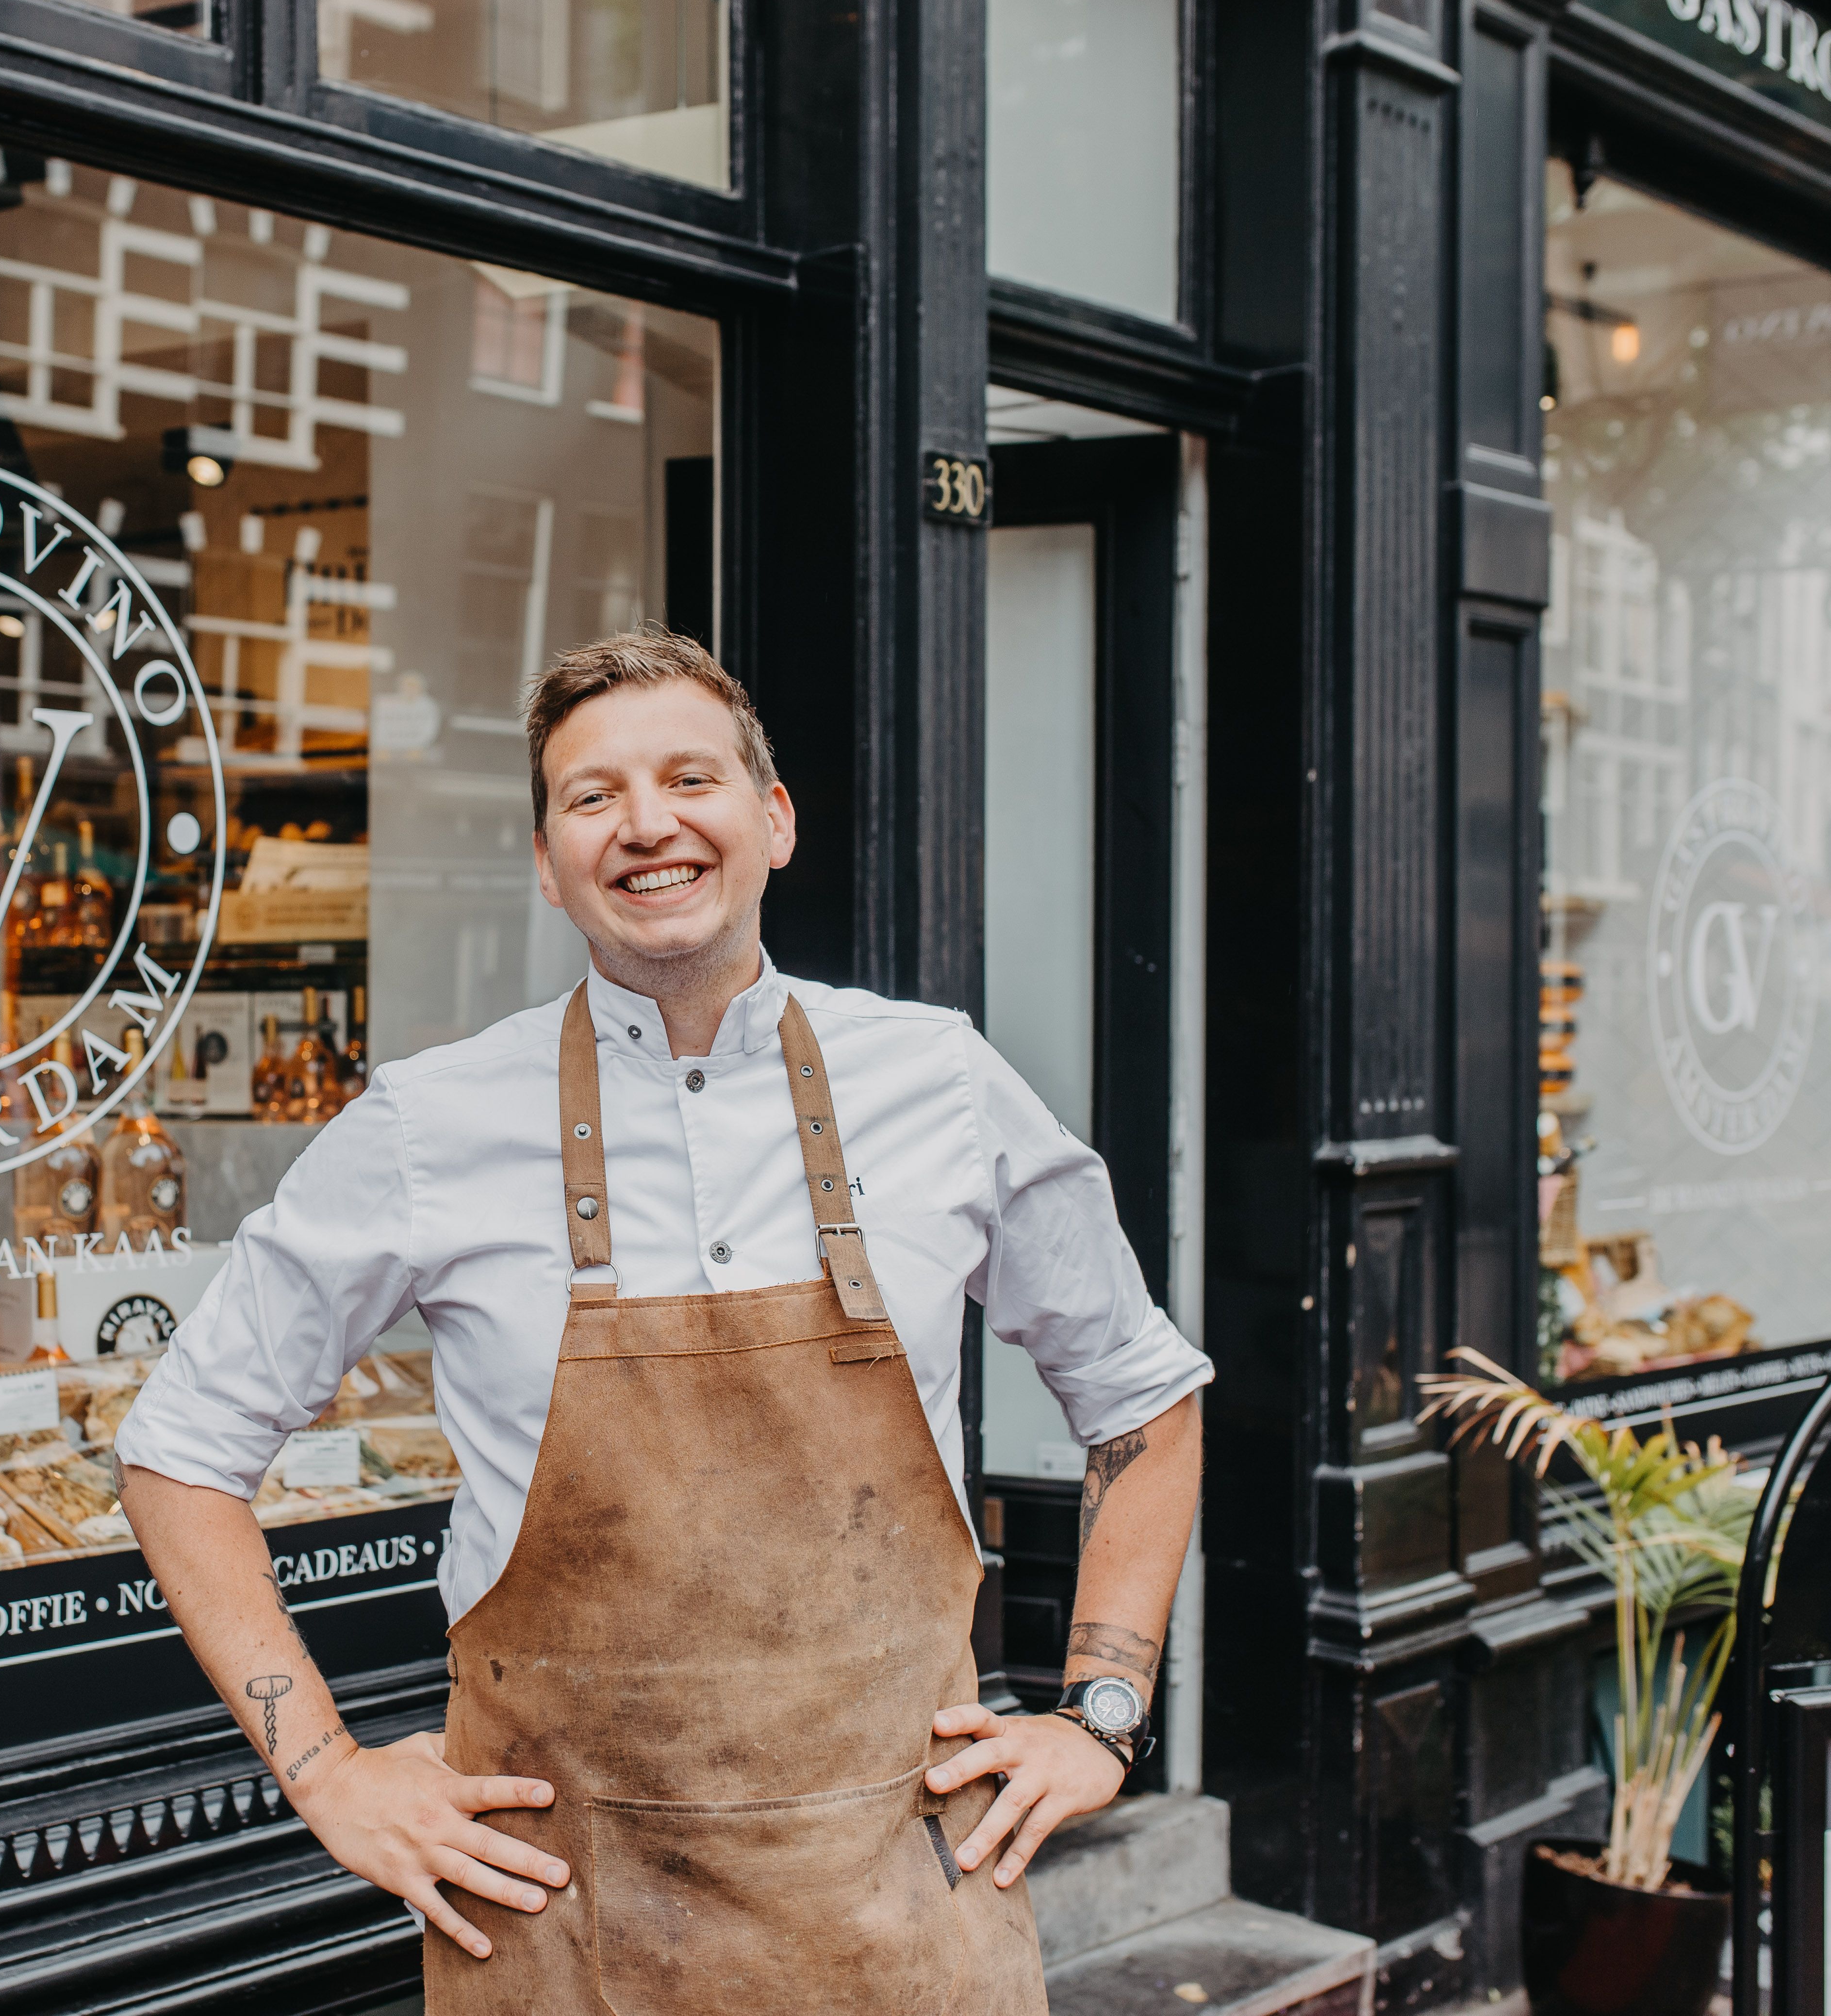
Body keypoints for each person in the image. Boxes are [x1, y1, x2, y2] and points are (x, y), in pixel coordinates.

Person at [117, 628, 1208, 2012]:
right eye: (591, 797)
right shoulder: (430, 1123)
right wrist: (323, 1768)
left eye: (690, 778)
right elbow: (182, 1449)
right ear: (545, 859)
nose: (647, 825)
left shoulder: (938, 1078)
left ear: (774, 820)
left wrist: (1103, 1719)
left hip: (901, 1916)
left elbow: (1142, 1401)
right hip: (559, 1926)